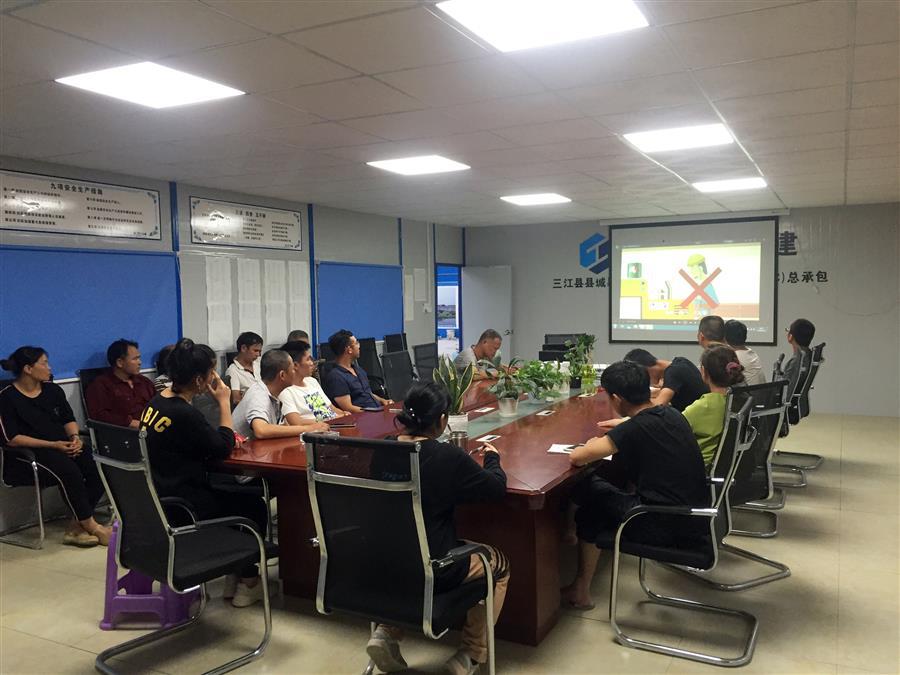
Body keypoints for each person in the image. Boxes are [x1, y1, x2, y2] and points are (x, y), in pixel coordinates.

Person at [365, 382, 509, 675]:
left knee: (411, 546)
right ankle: (470, 655)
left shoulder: (382, 449)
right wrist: (493, 458)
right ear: (443, 420)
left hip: (384, 564)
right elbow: (496, 489)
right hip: (435, 567)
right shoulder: (447, 457)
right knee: (498, 563)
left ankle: (386, 632)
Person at [561, 361, 707, 610]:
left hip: (663, 525)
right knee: (598, 489)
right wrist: (622, 427)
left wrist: (593, 443)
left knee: (590, 498)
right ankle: (574, 558)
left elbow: (578, 457)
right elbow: (640, 426)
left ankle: (580, 589)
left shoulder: (635, 428)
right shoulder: (671, 413)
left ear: (616, 399)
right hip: (694, 517)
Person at [140, 338, 271, 607]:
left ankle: (236, 573)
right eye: (211, 372)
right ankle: (248, 580)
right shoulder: (183, 413)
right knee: (253, 506)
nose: (214, 377)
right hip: (184, 504)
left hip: (158, 497)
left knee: (236, 493)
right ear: (199, 380)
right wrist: (223, 402)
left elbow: (200, 442)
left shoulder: (156, 403)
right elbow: (222, 446)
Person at [0, 347, 111, 547]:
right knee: (69, 471)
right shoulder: (7, 397)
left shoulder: (53, 390)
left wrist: (75, 438)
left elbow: (68, 418)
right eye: (44, 363)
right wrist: (53, 445)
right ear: (28, 369)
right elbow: (12, 438)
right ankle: (93, 526)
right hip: (29, 455)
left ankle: (76, 526)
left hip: (63, 446)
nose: (49, 368)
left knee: (98, 464)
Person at [232, 349, 329, 439]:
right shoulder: (258, 395)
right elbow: (261, 430)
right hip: (240, 450)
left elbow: (279, 427)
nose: (295, 372)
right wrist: (309, 429)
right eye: (292, 369)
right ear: (282, 375)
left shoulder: (273, 392)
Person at [683, 345, 746, 468]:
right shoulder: (742, 400)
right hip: (730, 467)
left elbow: (671, 431)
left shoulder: (703, 407)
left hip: (697, 468)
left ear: (704, 371)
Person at [85, 339, 156, 428]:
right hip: (124, 432)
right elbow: (99, 416)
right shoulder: (100, 385)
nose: (140, 362)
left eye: (139, 358)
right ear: (119, 362)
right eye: (135, 359)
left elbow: (159, 404)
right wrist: (129, 423)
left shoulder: (144, 382)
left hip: (153, 428)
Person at [278, 341, 348, 424]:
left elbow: (331, 408)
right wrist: (332, 419)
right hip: (314, 429)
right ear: (295, 365)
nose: (312, 363)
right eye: (308, 359)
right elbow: (296, 422)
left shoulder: (312, 381)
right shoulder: (286, 391)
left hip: (333, 425)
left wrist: (344, 414)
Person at [324, 329, 393, 413]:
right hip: (362, 417)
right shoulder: (336, 377)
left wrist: (383, 401)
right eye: (356, 343)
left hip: (376, 411)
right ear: (349, 349)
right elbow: (348, 408)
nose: (359, 346)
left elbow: (368, 393)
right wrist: (374, 412)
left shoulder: (358, 370)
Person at [624, 348, 708, 412]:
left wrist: (631, 405)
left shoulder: (673, 373)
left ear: (645, 369)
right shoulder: (681, 362)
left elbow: (658, 406)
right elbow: (661, 392)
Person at [224, 331, 263, 406]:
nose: (258, 354)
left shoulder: (259, 362)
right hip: (252, 407)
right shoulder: (233, 371)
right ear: (243, 348)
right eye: (255, 351)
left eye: (260, 351)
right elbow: (236, 399)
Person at [783, 318, 816, 401]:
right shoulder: (808, 356)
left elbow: (784, 391)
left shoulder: (796, 362)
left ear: (790, 337)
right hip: (797, 403)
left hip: (785, 403)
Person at [724, 320, 765, 385]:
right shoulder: (752, 353)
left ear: (725, 338)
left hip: (747, 391)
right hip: (759, 390)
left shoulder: (734, 357)